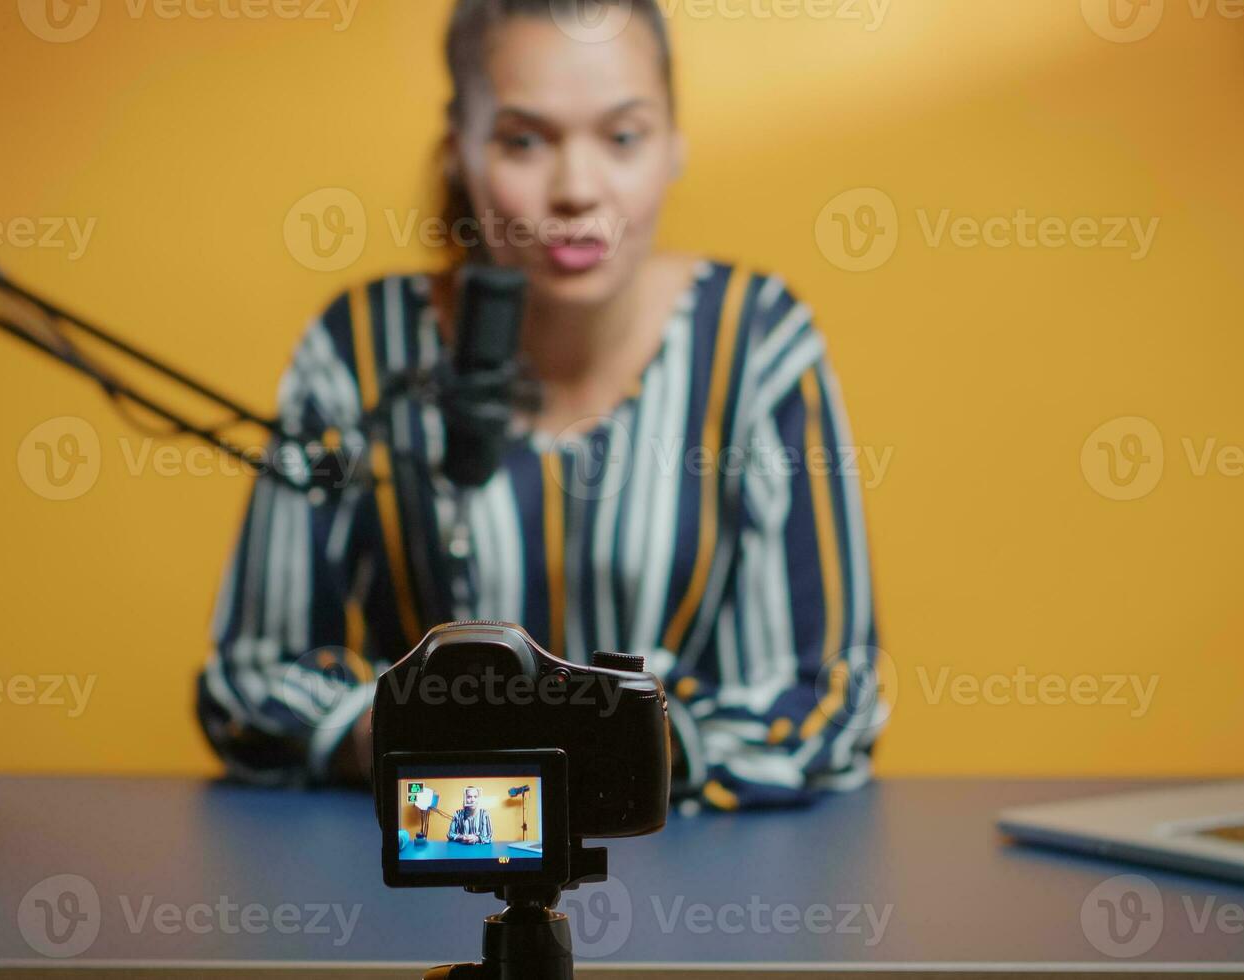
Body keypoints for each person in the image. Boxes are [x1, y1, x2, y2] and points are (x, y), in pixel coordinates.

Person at [197, 0, 885, 810]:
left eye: (623, 137)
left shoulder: (756, 341)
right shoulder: (360, 348)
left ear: (674, 147)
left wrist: (602, 762)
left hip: (692, 880)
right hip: (437, 858)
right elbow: (252, 682)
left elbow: (827, 699)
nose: (577, 188)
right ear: (460, 151)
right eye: (524, 141)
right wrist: (432, 760)